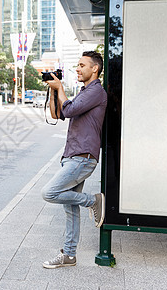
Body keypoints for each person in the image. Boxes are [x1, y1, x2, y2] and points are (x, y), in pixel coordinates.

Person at [41, 51, 107, 269]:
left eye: (81, 65)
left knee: (49, 193)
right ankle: (69, 255)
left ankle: (93, 201)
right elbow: (57, 114)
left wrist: (60, 88)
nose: (77, 69)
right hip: (72, 155)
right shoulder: (84, 92)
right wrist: (53, 91)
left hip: (82, 157)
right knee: (70, 206)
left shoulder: (96, 92)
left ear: (94, 69)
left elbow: (69, 111)